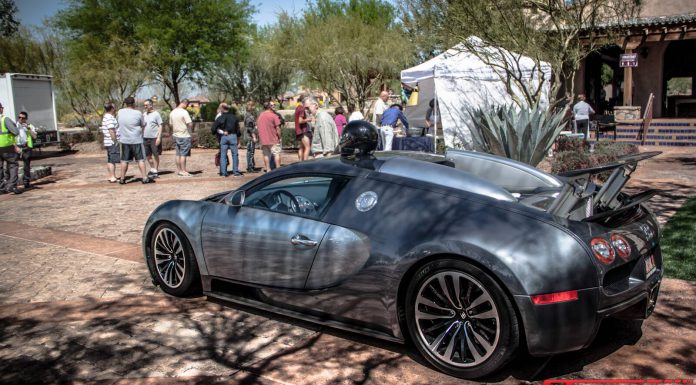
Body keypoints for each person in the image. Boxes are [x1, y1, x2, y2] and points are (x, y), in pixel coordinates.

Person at [117, 96, 153, 184]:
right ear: (133, 103)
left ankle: (122, 178)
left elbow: (118, 122)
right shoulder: (138, 113)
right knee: (140, 160)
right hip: (136, 140)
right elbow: (143, 124)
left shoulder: (120, 112)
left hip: (124, 140)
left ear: (126, 104)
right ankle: (144, 177)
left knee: (124, 160)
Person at [212, 103, 242, 177]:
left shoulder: (220, 117)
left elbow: (213, 128)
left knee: (223, 155)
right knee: (235, 155)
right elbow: (238, 130)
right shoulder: (234, 117)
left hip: (224, 137)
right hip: (233, 136)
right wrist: (238, 139)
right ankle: (235, 172)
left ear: (222, 108)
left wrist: (221, 132)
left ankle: (223, 173)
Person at [0, 102, 21, 194]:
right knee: (13, 165)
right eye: (2, 107)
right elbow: (16, 132)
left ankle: (1, 188)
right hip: (6, 146)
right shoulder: (5, 119)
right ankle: (11, 186)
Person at [169, 99, 194, 176]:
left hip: (176, 135)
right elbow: (190, 124)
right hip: (184, 135)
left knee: (178, 154)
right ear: (185, 104)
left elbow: (170, 124)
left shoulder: (172, 112)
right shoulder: (184, 112)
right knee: (183, 154)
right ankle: (183, 171)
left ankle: (179, 170)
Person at [257, 101, 282, 172]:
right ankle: (278, 169)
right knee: (276, 153)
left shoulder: (260, 116)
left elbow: (258, 126)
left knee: (266, 155)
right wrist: (279, 137)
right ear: (270, 107)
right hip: (273, 139)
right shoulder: (274, 116)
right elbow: (278, 128)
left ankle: (268, 169)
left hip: (263, 140)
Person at [15, 111, 37, 188]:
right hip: (16, 146)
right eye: (19, 117)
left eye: (23, 118)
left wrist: (28, 128)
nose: (20, 119)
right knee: (14, 165)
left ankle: (26, 181)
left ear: (26, 119)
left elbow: (34, 136)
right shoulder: (14, 125)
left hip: (26, 147)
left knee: (26, 165)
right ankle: (14, 183)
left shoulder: (30, 126)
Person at [100, 103, 120, 183]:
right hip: (111, 142)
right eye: (114, 107)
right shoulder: (109, 118)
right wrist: (115, 141)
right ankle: (112, 176)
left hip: (108, 141)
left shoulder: (106, 117)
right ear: (111, 108)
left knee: (110, 159)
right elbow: (111, 130)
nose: (115, 109)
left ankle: (111, 175)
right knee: (112, 160)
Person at [142, 99, 163, 178]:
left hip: (154, 138)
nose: (145, 106)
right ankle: (152, 169)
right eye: (144, 105)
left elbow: (160, 125)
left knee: (155, 154)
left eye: (146, 105)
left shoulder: (156, 114)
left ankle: (156, 170)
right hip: (145, 138)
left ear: (151, 105)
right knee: (148, 155)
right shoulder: (144, 114)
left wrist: (158, 138)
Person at [294, 94, 313, 161]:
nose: (310, 102)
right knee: (307, 147)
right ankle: (305, 163)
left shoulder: (298, 107)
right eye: (309, 100)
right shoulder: (302, 108)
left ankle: (300, 162)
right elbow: (300, 121)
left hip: (299, 130)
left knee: (301, 148)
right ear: (305, 100)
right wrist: (308, 119)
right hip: (303, 131)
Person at [244, 100, 258, 173]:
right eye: (254, 106)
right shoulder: (249, 116)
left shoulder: (248, 114)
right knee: (250, 152)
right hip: (250, 137)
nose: (255, 107)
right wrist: (254, 136)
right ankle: (250, 167)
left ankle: (251, 166)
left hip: (249, 136)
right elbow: (249, 128)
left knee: (250, 152)